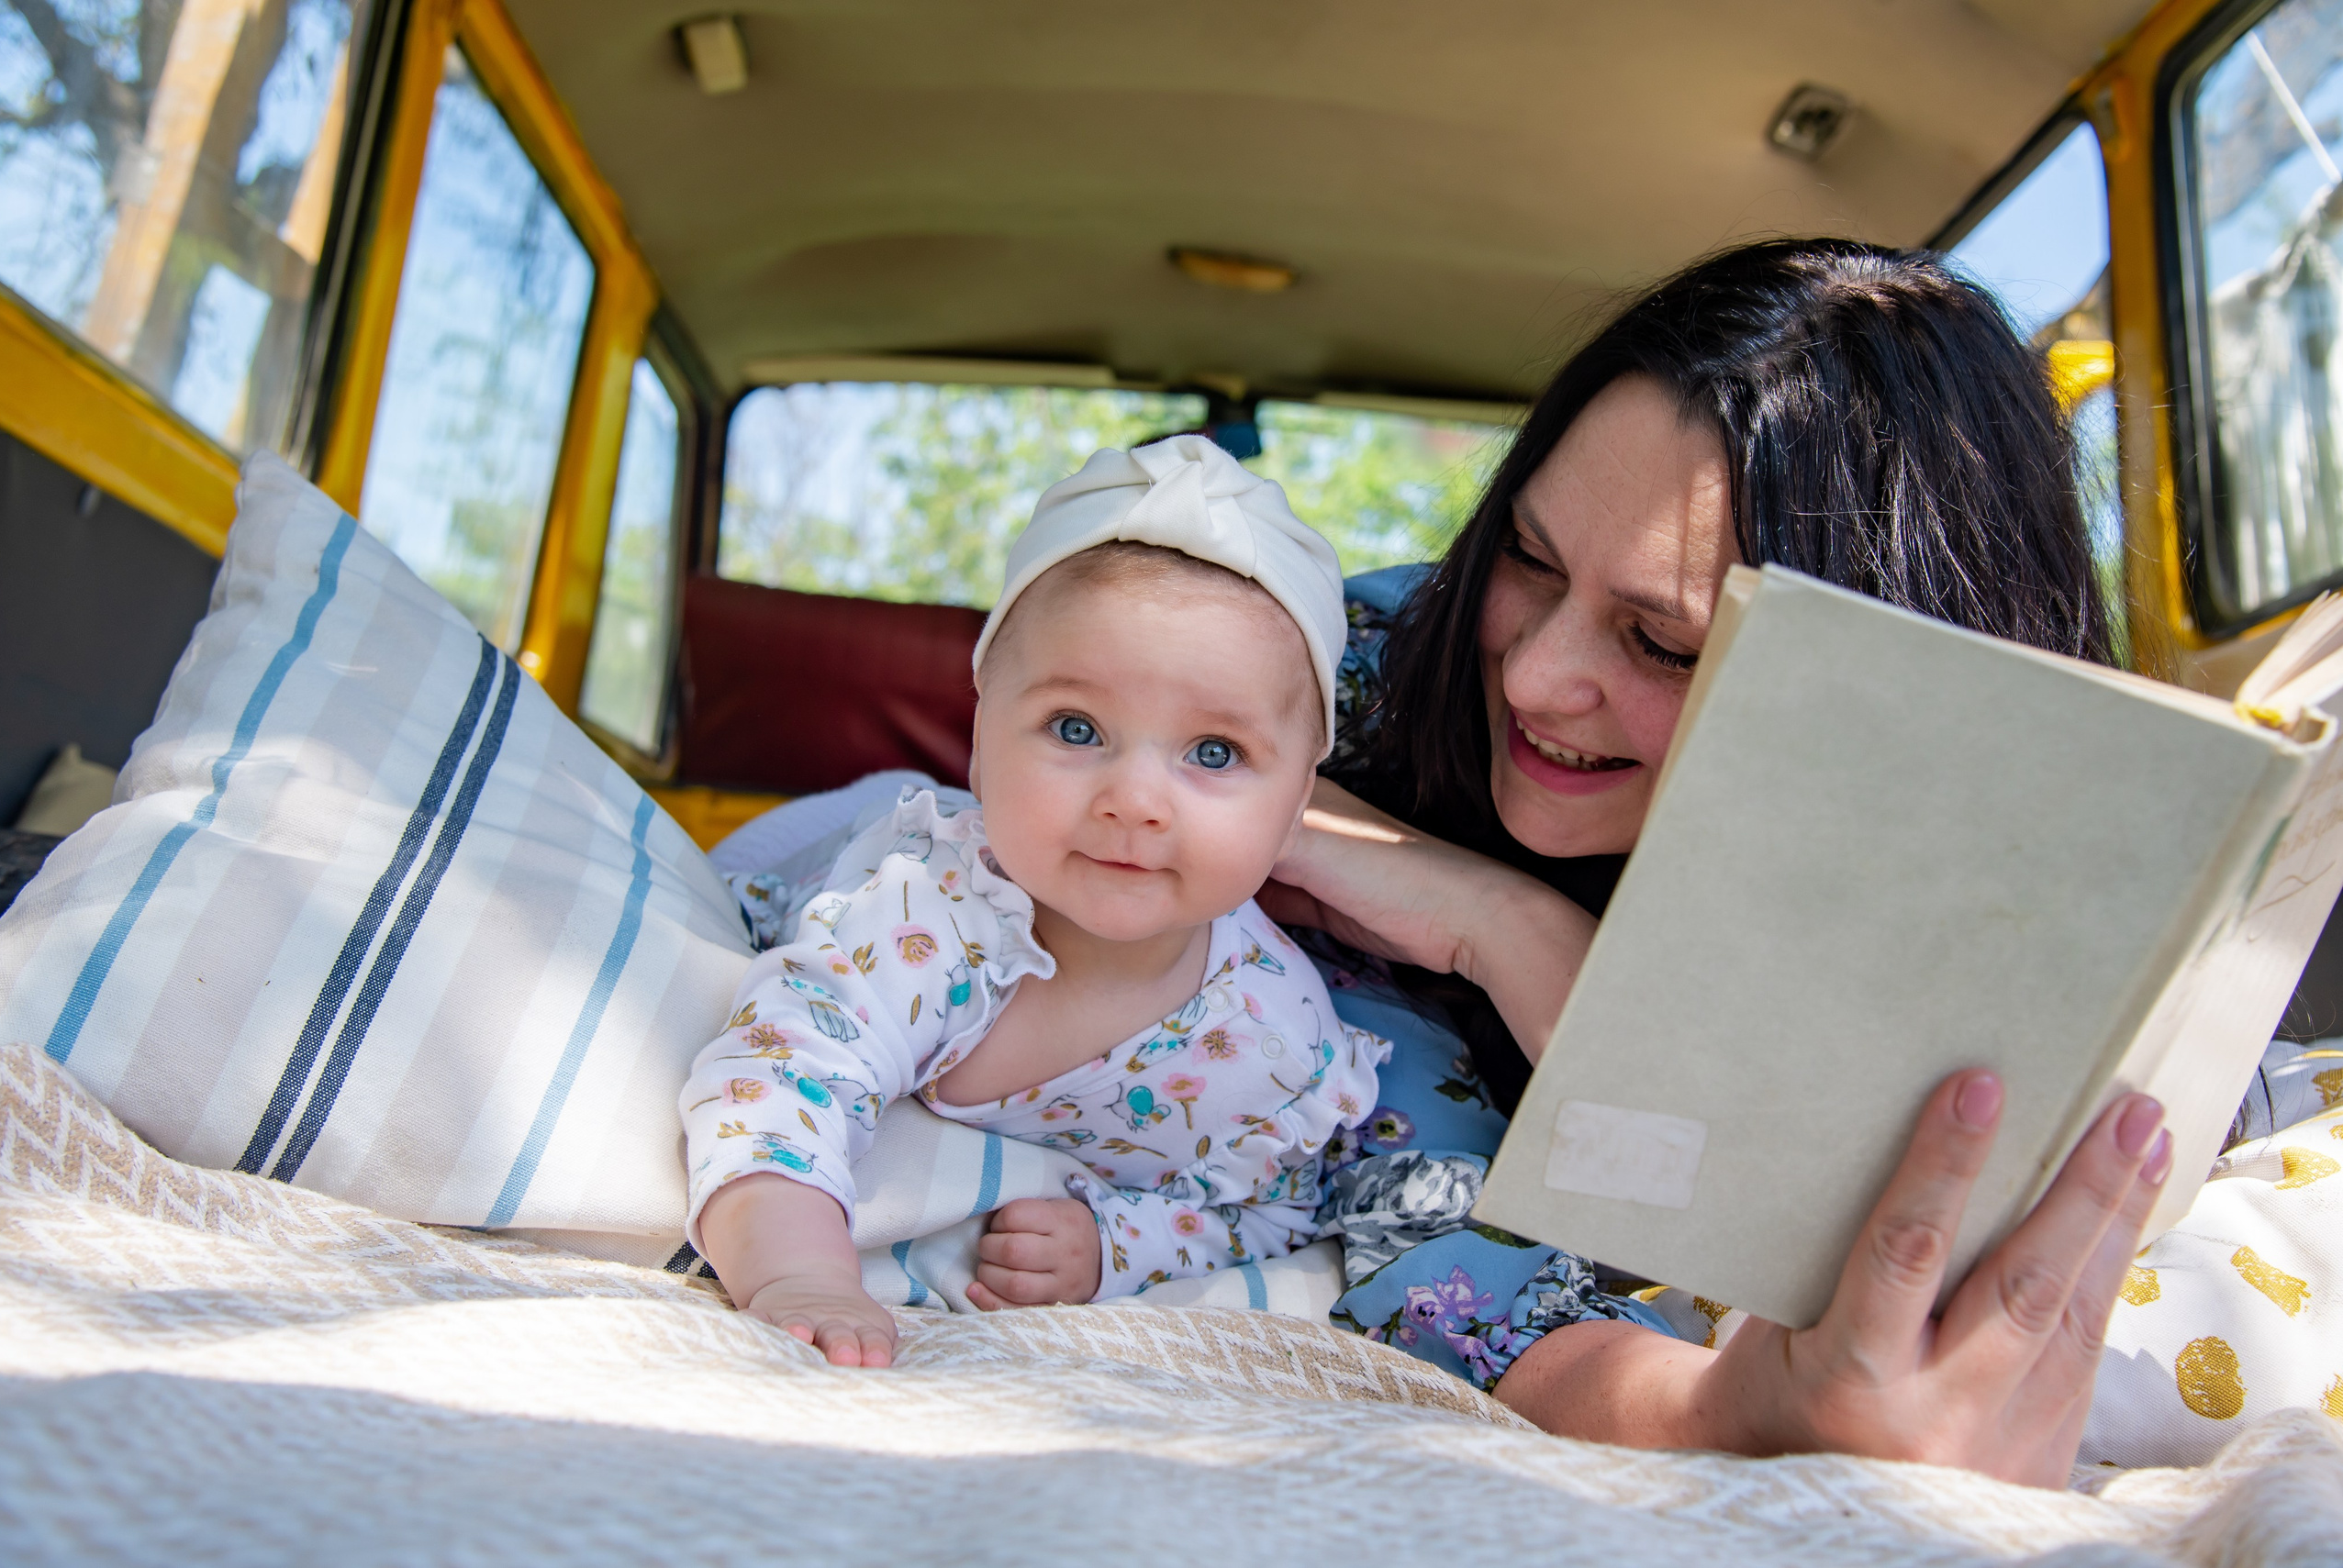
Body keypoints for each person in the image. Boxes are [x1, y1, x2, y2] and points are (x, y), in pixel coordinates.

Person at [1261, 239, 2171, 1487]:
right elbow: (1431, 1247)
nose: (1533, 675)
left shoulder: (1995, 897)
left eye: (1660, 643)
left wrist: (1518, 936)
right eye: (1529, 559)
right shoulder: (1343, 689)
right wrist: (1720, 1420)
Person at [682, 435, 1388, 1368]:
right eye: (1076, 727)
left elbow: (1270, 1204)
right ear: (979, 736)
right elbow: (780, 1069)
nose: (1134, 798)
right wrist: (798, 1272)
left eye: (1213, 752)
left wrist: (1119, 1243)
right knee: (762, 875)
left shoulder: (1273, 1039)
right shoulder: (921, 908)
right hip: (832, 849)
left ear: (1299, 798)